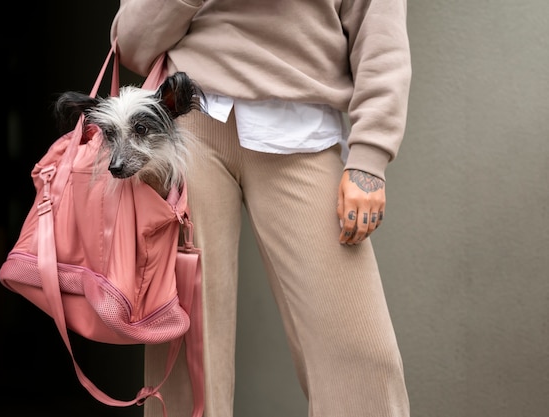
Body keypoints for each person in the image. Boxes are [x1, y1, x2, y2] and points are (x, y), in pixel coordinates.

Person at [111, 1, 412, 416]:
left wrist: (370, 155)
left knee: (361, 361)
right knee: (185, 357)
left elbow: (381, 34)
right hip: (186, 130)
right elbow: (131, 43)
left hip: (303, 131)